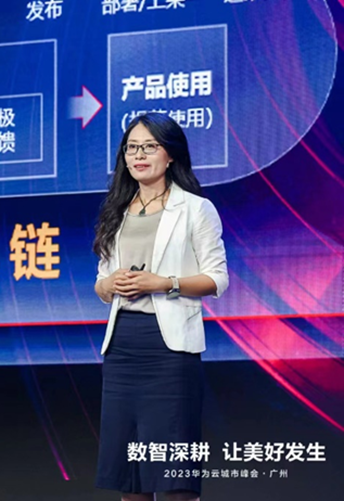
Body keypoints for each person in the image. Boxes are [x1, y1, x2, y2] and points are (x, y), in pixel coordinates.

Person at [93, 113, 228, 501]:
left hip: (169, 350)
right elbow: (101, 282)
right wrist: (109, 285)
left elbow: (217, 279)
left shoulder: (196, 209)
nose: (139, 155)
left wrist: (164, 283)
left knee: (173, 475)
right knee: (130, 477)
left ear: (170, 155)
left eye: (150, 147)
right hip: (122, 346)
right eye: (132, 147)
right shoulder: (117, 209)